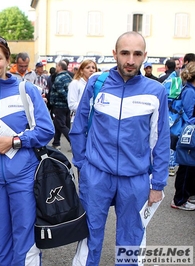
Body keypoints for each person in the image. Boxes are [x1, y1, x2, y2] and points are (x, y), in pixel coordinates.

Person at [69, 31, 170, 265]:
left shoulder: (157, 91)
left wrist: (158, 184)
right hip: (96, 174)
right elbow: (79, 126)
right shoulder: (97, 83)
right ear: (115, 54)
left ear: (145, 56)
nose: (130, 60)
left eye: (137, 54)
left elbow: (160, 140)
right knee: (88, 236)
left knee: (131, 241)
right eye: (125, 53)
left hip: (135, 178)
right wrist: (83, 165)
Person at [0, 35, 54, 265]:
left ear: (7, 59)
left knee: (26, 241)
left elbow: (46, 130)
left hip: (24, 178)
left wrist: (14, 141)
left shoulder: (25, 89)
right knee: (0, 242)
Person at [171, 61, 195, 211]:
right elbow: (188, 114)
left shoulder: (189, 89)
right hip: (189, 134)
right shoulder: (190, 92)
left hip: (189, 133)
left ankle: (184, 196)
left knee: (189, 167)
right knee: (186, 167)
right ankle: (179, 199)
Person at [49, 60, 72, 150]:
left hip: (59, 106)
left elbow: (62, 92)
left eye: (57, 66)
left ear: (60, 67)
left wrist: (52, 102)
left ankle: (73, 141)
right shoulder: (68, 77)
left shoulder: (59, 78)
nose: (56, 68)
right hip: (66, 106)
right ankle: (56, 142)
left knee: (61, 125)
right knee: (57, 124)